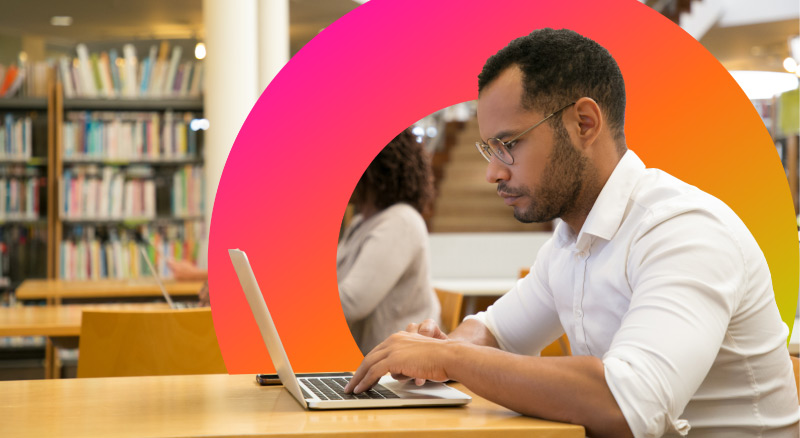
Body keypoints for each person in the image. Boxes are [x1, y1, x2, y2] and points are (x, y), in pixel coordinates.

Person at [345, 29, 800, 438]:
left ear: (584, 123)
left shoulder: (684, 230)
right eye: (489, 148)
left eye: (508, 144)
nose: (491, 174)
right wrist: (435, 349)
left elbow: (628, 406)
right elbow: (493, 334)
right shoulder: (569, 243)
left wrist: (451, 360)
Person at [336, 129, 441, 355]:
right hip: (363, 363)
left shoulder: (400, 221)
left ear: (374, 171)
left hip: (392, 371)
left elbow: (351, 303)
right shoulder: (359, 223)